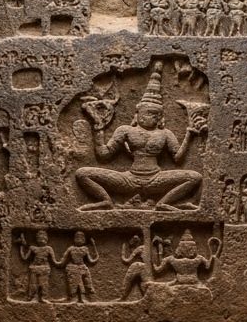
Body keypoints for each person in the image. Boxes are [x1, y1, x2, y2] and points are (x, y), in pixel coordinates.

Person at [75, 63, 205, 211]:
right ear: (137, 114)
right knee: (82, 173)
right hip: (128, 179)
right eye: (147, 113)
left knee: (195, 177)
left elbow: (178, 158)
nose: (150, 117)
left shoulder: (165, 133)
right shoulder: (125, 130)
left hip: (156, 179)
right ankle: (105, 201)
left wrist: (189, 133)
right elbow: (103, 155)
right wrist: (98, 128)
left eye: (155, 114)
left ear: (160, 117)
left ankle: (164, 203)